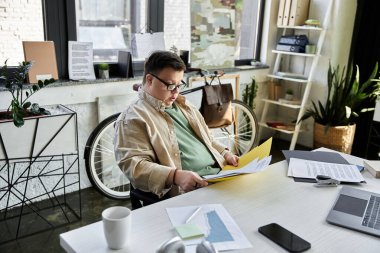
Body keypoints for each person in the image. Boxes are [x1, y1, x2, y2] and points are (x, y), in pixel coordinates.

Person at [114, 50, 238, 199]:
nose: (176, 92)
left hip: (221, 174)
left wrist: (225, 153)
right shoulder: (133, 118)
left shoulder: (184, 105)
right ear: (150, 80)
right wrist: (175, 176)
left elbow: (208, 139)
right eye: (170, 85)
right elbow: (135, 167)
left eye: (179, 85)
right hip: (194, 189)